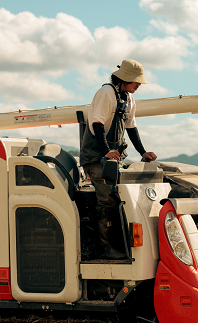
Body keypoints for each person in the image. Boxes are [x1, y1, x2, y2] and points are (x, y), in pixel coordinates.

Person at [80, 59, 157, 260]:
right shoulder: (106, 92)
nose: (138, 85)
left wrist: (142, 152)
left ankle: (120, 244)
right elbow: (97, 124)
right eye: (136, 82)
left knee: (120, 197)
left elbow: (131, 127)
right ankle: (105, 248)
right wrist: (106, 150)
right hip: (96, 157)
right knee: (107, 198)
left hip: (112, 158)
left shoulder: (129, 98)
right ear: (124, 78)